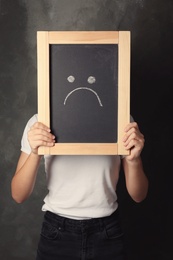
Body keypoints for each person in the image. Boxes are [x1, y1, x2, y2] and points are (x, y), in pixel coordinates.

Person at [11, 113, 148, 260]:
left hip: (107, 234)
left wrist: (134, 161)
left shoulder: (120, 116)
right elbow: (18, 195)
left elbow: (139, 195)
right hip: (57, 234)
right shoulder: (40, 121)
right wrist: (34, 153)